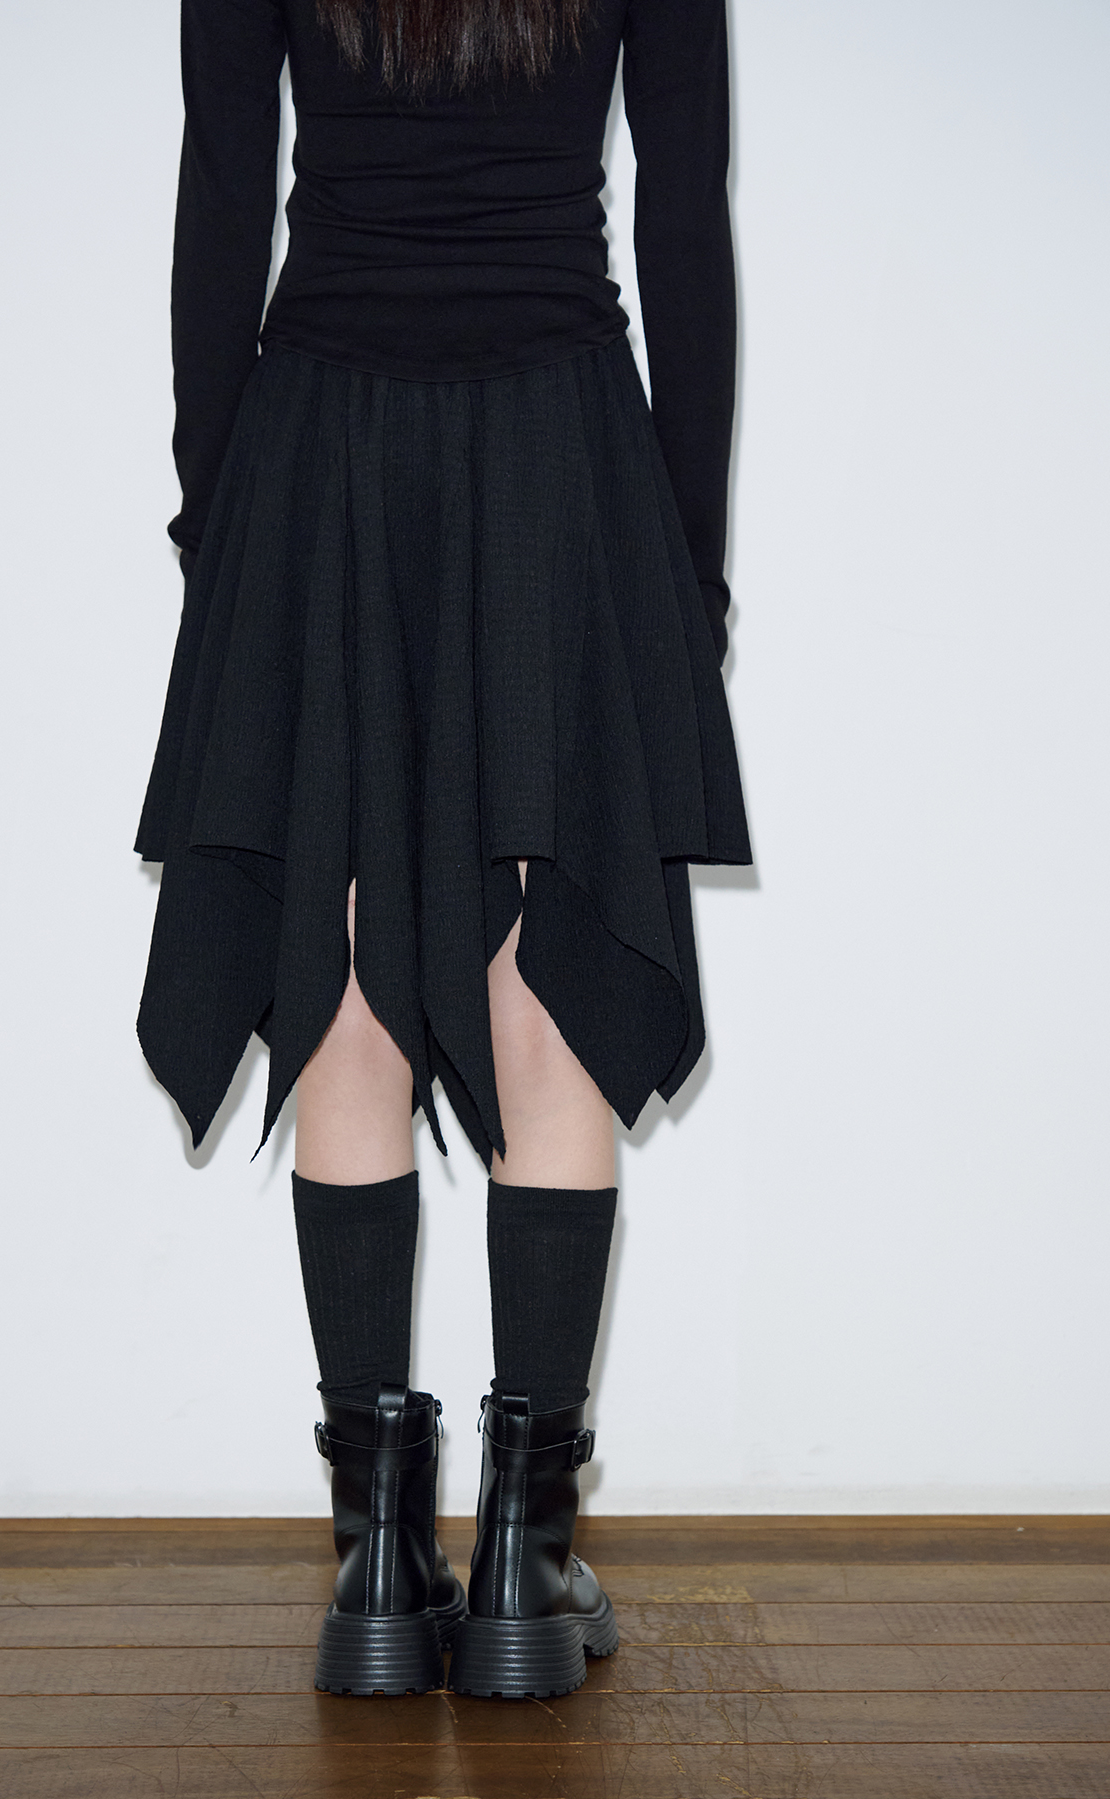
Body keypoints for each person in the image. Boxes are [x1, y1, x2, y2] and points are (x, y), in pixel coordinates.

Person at [135, 0, 751, 1698]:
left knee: (340, 972)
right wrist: (682, 561)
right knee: (549, 975)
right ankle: (525, 1571)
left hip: (321, 438)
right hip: (563, 442)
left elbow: (220, 198)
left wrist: (223, 518)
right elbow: (684, 214)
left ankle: (379, 1564)